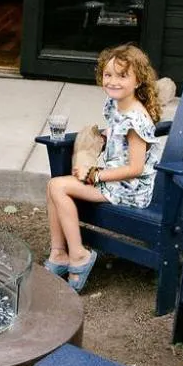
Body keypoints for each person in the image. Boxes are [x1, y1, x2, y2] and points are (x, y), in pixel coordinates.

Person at [45, 43, 163, 292]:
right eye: (108, 75)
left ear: (138, 80)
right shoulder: (115, 105)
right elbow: (112, 133)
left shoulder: (135, 120)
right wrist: (98, 141)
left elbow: (136, 168)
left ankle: (79, 255)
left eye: (122, 76)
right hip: (113, 178)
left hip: (129, 188)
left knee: (58, 186)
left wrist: (96, 175)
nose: (113, 81)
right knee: (53, 187)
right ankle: (59, 254)